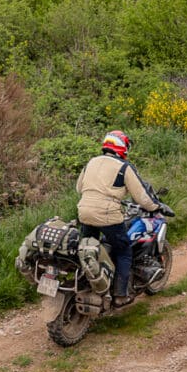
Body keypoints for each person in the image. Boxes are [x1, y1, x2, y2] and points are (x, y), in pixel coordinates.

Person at [76, 130, 162, 307]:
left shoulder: (91, 162)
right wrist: (156, 207)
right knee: (124, 250)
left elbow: (79, 188)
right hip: (107, 215)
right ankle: (120, 294)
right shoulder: (124, 167)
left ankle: (89, 280)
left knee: (89, 249)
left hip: (84, 212)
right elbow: (141, 197)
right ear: (122, 147)